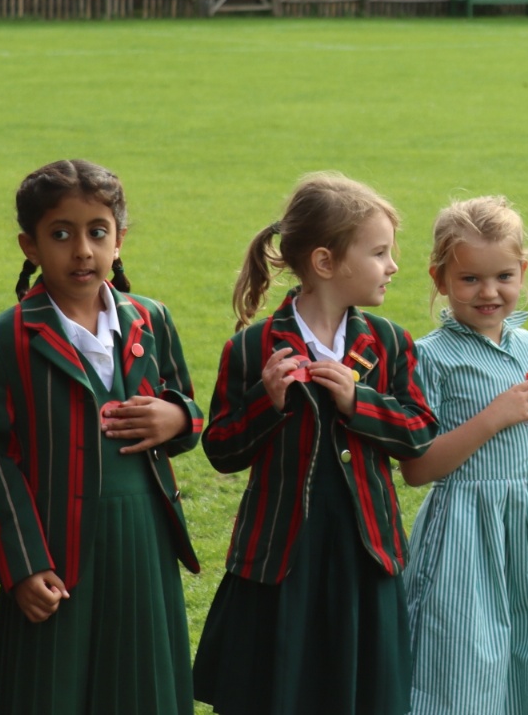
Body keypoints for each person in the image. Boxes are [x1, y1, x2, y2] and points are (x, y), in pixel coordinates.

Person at [0, 160, 202, 715]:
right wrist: (24, 563)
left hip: (143, 539)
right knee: (50, 683)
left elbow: (188, 408)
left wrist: (176, 419)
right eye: (60, 234)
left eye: (97, 232)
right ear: (29, 245)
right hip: (53, 549)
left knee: (141, 678)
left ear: (119, 241)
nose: (82, 251)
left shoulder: (152, 319)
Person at [193, 173, 435, 715]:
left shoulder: (389, 343)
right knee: (278, 691)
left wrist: (358, 401)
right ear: (325, 262)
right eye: (379, 253)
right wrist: (266, 401)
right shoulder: (252, 347)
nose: (393, 266)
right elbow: (222, 451)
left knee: (361, 694)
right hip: (280, 561)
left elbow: (419, 432)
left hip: (365, 557)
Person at [401, 196, 528, 715]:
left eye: (504, 276)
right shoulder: (429, 357)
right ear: (440, 279)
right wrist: (493, 416)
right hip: (467, 533)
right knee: (463, 663)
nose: (489, 292)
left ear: (523, 272)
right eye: (470, 279)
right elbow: (417, 468)